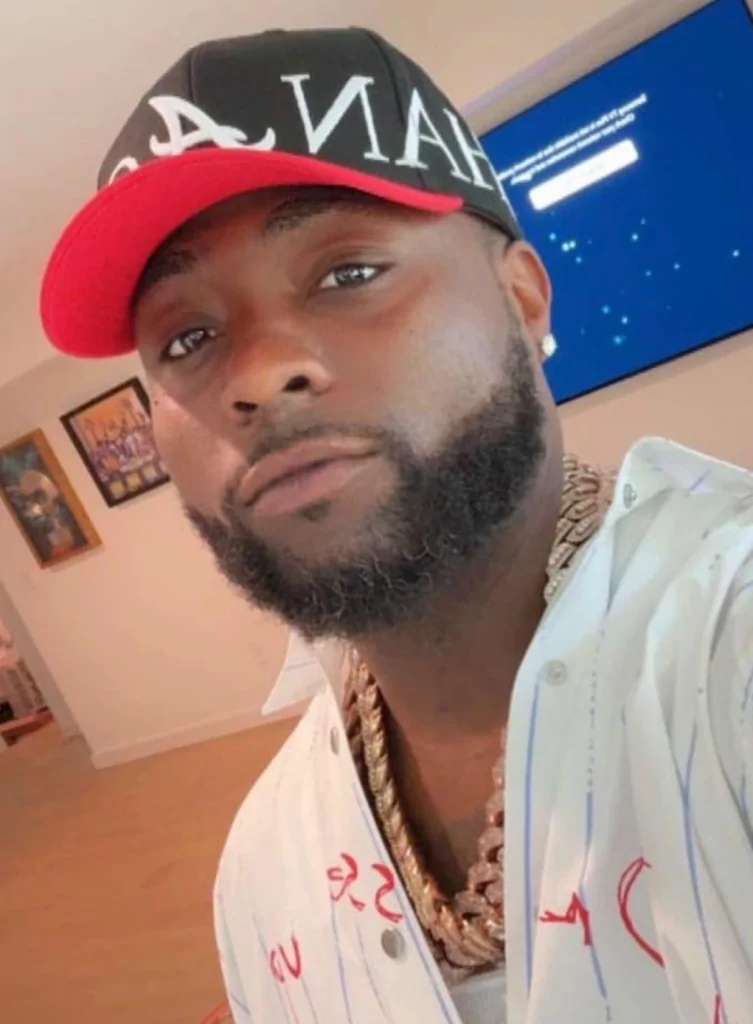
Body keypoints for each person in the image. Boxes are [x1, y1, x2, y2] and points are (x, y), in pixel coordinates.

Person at [40, 27, 753, 1024]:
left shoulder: (727, 651)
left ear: (521, 298)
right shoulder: (261, 870)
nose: (259, 376)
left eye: (346, 274)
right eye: (188, 336)